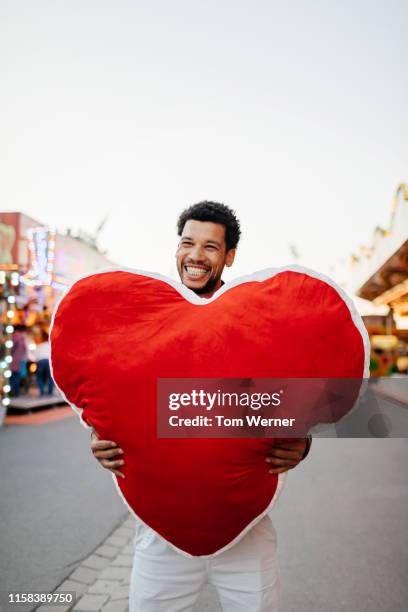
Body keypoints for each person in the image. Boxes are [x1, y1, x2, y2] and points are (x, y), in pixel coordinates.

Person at [91, 201, 311, 612]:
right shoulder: (146, 317)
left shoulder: (255, 318)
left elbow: (293, 387)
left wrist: (302, 441)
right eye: (187, 243)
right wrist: (100, 431)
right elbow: (117, 385)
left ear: (229, 257)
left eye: (211, 247)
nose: (195, 255)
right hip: (162, 530)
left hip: (244, 526)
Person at [35, 331, 54, 396]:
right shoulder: (51, 345)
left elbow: (35, 356)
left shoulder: (39, 346)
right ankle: (50, 392)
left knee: (39, 377)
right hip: (49, 361)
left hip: (41, 361)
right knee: (50, 377)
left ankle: (42, 391)